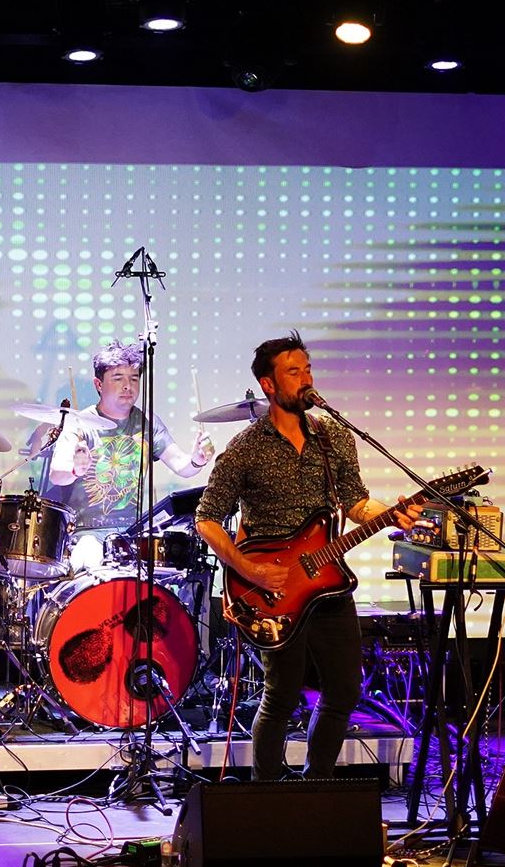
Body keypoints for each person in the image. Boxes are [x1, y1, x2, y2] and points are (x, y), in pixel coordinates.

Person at [194, 331, 420, 780]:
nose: (306, 379)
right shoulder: (245, 449)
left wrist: (391, 514)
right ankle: (268, 793)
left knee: (345, 691)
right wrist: (249, 569)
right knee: (281, 695)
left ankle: (317, 786)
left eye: (308, 369)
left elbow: (357, 503)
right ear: (268, 385)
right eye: (293, 372)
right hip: (274, 591)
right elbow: (207, 519)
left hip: (329, 583)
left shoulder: (333, 437)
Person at [45, 339, 214, 570]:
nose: (128, 386)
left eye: (134, 379)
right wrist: (76, 469)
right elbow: (57, 474)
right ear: (98, 384)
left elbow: (182, 466)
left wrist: (196, 460)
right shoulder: (79, 423)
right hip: (86, 535)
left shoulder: (147, 422)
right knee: (90, 559)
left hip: (134, 535)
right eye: (118, 378)